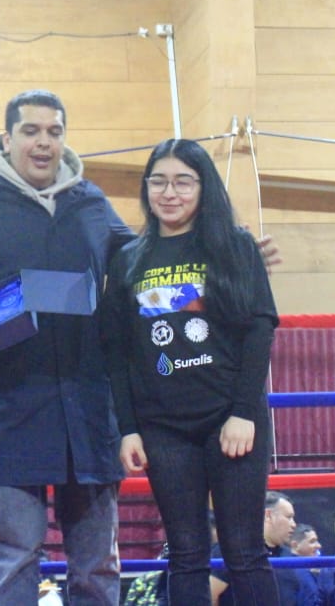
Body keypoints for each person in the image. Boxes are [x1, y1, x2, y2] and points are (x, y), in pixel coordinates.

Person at [0, 90, 134, 605]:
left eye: (54, 132)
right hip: (5, 405)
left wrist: (215, 250)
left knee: (98, 564)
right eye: (32, 131)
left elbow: (142, 261)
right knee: (13, 557)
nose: (44, 143)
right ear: (7, 137)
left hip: (85, 409)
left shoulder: (91, 201)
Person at [101, 137, 281, 606]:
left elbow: (259, 328)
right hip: (164, 429)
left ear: (203, 187)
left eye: (183, 181)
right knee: (184, 553)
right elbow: (116, 352)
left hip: (231, 420)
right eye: (158, 181)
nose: (170, 192)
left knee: (244, 551)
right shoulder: (127, 259)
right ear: (145, 188)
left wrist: (244, 411)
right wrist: (128, 430)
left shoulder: (235, 246)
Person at [212, 491, 320, 605]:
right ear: (268, 515)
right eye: (288, 517)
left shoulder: (288, 557)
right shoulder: (233, 551)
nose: (293, 524)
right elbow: (210, 596)